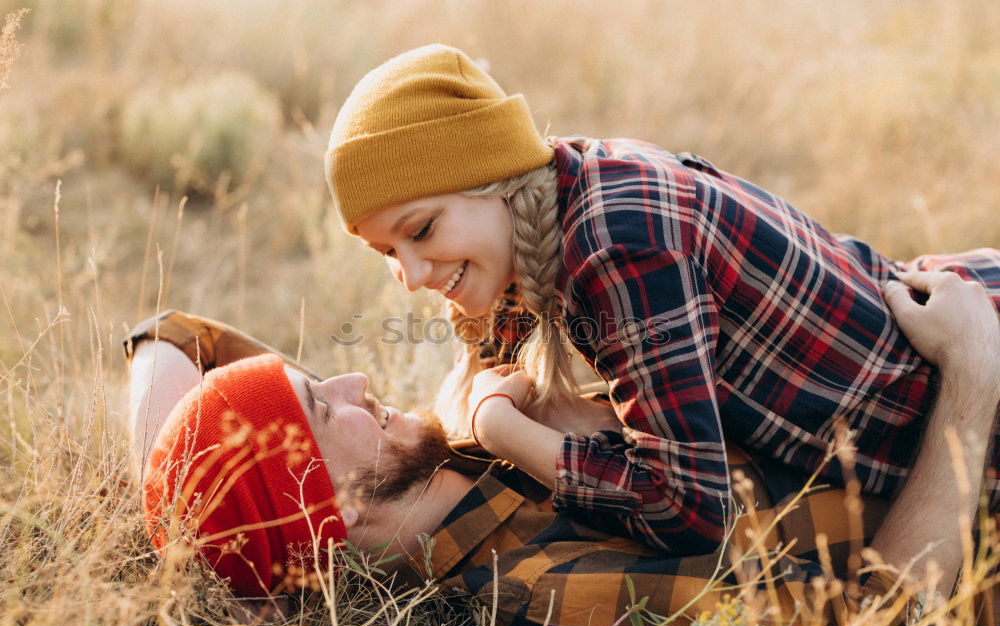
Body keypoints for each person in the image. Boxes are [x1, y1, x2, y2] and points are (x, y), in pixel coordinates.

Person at [323, 44, 1000, 557]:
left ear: (492, 175)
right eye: (388, 253)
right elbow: (478, 388)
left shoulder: (616, 248)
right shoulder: (546, 206)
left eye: (420, 231)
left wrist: (507, 431)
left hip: (966, 410)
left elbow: (688, 508)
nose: (409, 275)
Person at [129, 274, 1000, 626]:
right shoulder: (550, 597)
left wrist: (167, 504)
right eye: (327, 404)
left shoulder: (449, 435)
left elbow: (186, 333)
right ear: (329, 513)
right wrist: (971, 381)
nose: (356, 381)